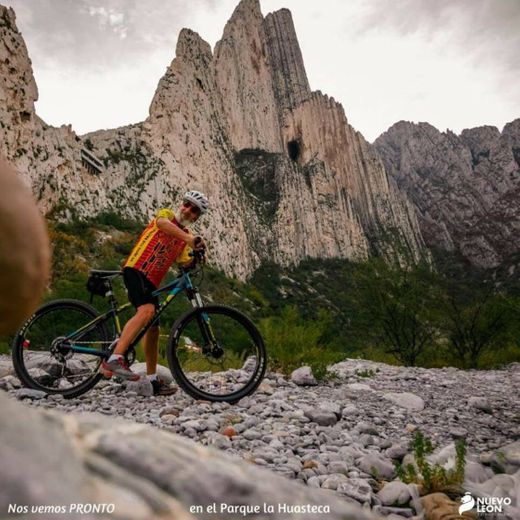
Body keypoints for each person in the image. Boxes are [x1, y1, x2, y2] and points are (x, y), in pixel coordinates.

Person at [99, 190, 208, 395]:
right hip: (136, 269)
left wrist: (197, 257)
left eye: (194, 210)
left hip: (151, 282)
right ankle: (115, 358)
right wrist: (190, 238)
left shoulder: (184, 239)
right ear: (181, 204)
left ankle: (151, 380)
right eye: (187, 205)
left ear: (196, 217)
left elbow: (184, 261)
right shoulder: (167, 215)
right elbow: (162, 225)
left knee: (153, 328)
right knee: (147, 310)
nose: (188, 210)